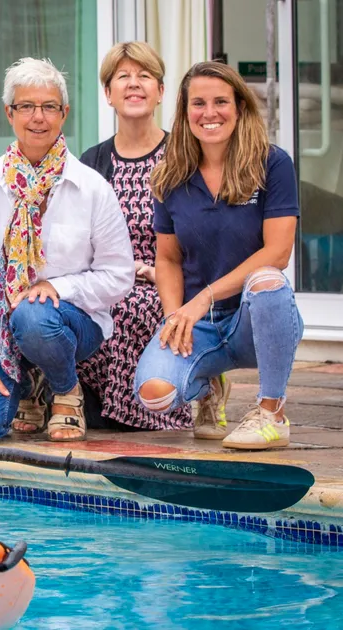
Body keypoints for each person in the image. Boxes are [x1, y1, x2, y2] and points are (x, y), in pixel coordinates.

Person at [0, 58, 135, 444]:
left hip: (68, 325)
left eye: (49, 106)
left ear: (64, 114)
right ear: (8, 114)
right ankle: (31, 386)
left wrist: (60, 288)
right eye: (26, 106)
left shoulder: (91, 187)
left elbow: (119, 275)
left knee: (33, 315)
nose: (38, 117)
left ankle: (65, 388)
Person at [134, 61, 303, 450]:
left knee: (267, 281)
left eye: (221, 102)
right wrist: (175, 316)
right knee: (154, 394)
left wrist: (203, 298)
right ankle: (209, 386)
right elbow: (168, 259)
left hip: (252, 318)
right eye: (198, 103)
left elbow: (277, 252)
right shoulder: (169, 175)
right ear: (185, 111)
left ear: (240, 107)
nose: (209, 113)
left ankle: (272, 412)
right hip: (202, 325)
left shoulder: (272, 163)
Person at [76, 42, 194, 433]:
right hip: (107, 279)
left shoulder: (185, 154)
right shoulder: (92, 162)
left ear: (161, 91)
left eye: (144, 76)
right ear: (108, 94)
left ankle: (141, 417)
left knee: (127, 310)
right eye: (122, 77)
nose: (134, 84)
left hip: (171, 282)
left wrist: (147, 270)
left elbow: (198, 234)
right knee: (74, 313)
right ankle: (87, 404)